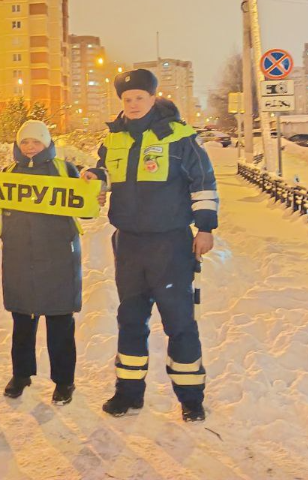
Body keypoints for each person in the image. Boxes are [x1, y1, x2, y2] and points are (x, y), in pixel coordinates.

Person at [82, 69, 218, 422]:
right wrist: (96, 178)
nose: (133, 104)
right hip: (128, 243)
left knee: (179, 322)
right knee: (130, 320)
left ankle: (191, 397)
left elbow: (202, 182)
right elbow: (107, 173)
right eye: (127, 99)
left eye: (140, 97)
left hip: (169, 244)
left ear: (154, 98)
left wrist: (204, 228)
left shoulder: (179, 137)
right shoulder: (114, 139)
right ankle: (128, 394)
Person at [0, 120, 82, 405]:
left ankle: (64, 381)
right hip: (20, 257)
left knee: (60, 322)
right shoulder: (7, 173)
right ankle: (21, 375)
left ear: (47, 143)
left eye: (36, 142)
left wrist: (97, 185)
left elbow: (86, 203)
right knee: (22, 320)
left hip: (58, 258)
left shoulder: (64, 170)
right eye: (25, 142)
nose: (30, 147)